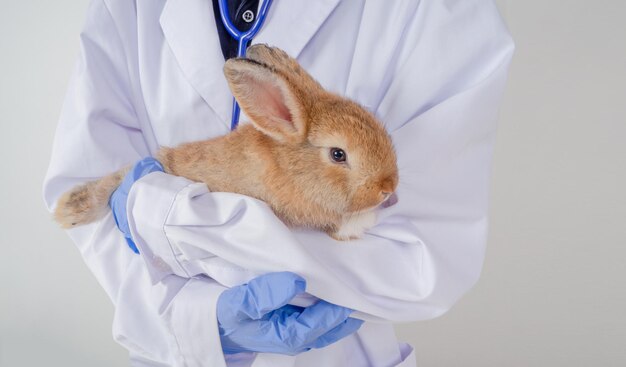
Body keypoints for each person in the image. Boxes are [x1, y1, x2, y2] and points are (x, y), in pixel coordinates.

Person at [43, 0, 514, 366]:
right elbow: (87, 190)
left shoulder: (435, 14)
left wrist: (159, 217)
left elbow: (421, 257)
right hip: (172, 352)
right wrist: (191, 319)